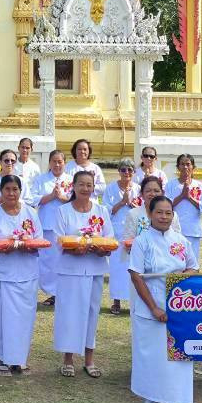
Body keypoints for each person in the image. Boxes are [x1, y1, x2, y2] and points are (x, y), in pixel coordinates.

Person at [128, 195, 198, 403]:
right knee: (152, 357)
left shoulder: (181, 240)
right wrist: (154, 308)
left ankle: (177, 401)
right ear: (150, 214)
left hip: (178, 309)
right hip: (151, 308)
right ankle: (149, 400)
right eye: (159, 212)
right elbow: (136, 276)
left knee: (178, 357)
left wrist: (182, 279)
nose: (164, 217)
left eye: (168, 213)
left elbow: (193, 268)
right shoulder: (142, 241)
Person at [54, 170, 114, 378]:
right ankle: (68, 358)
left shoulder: (101, 211)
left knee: (92, 313)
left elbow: (109, 238)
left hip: (95, 269)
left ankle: (89, 359)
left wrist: (101, 249)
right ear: (74, 186)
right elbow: (59, 239)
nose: (85, 189)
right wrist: (74, 248)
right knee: (70, 314)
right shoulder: (63, 211)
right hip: (71, 270)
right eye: (82, 185)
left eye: (89, 185)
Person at [0, 175, 41, 376]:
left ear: (20, 191)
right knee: (2, 318)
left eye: (15, 189)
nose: (11, 193)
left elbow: (39, 240)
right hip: (2, 275)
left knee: (24, 319)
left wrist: (28, 244)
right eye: (7, 189)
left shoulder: (31, 214)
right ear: (1, 191)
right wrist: (2, 248)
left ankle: (19, 359)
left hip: (27, 274)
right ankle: (2, 359)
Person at [30, 149, 71, 307]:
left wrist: (62, 198)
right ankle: (52, 292)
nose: (57, 164)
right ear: (49, 163)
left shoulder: (71, 179)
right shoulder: (41, 179)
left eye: (60, 161)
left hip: (65, 226)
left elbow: (76, 200)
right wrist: (51, 197)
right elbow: (33, 199)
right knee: (47, 261)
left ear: (64, 163)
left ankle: (61, 292)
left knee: (62, 260)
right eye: (54, 161)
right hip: (46, 224)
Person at [103, 159, 140, 315]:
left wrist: (132, 204)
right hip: (117, 231)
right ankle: (116, 302)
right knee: (117, 268)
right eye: (124, 170)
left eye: (130, 170)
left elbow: (145, 208)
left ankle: (135, 301)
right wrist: (122, 202)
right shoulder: (111, 188)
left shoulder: (138, 188)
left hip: (135, 232)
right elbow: (105, 210)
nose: (127, 173)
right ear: (119, 171)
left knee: (134, 267)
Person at [164, 154, 202, 263]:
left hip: (193, 231)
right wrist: (181, 196)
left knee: (192, 263)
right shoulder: (170, 185)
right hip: (173, 230)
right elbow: (165, 206)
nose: (185, 167)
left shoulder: (199, 186)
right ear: (178, 167)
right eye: (182, 164)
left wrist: (190, 198)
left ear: (193, 167)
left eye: (188, 164)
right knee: (175, 263)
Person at [123, 175, 182, 242]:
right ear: (141, 194)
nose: (152, 194)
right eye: (148, 191)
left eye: (156, 191)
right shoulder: (133, 214)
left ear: (162, 193)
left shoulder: (172, 215)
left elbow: (178, 241)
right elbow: (127, 240)